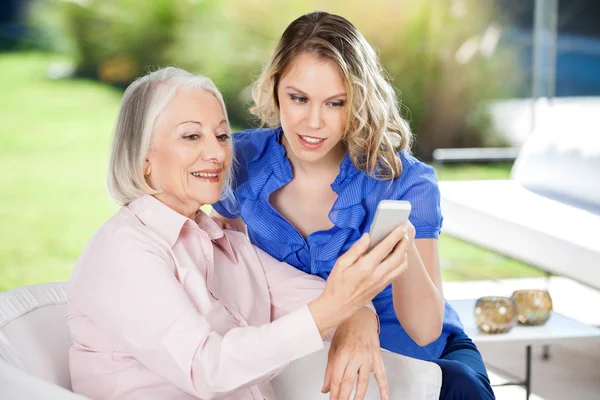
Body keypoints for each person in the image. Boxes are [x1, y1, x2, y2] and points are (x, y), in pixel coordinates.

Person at [67, 67, 410, 400]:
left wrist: (359, 314)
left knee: (451, 383)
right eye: (191, 136)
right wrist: (335, 309)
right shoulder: (124, 252)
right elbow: (208, 371)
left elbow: (332, 299)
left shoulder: (223, 243)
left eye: (221, 135)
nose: (217, 154)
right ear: (143, 158)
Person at [212, 11, 495, 400]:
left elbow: (426, 330)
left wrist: (400, 246)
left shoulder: (404, 180)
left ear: (358, 100)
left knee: (461, 388)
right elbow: (223, 270)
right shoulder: (241, 163)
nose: (313, 122)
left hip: (425, 358)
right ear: (275, 87)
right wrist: (352, 311)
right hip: (309, 358)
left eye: (335, 103)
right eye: (299, 98)